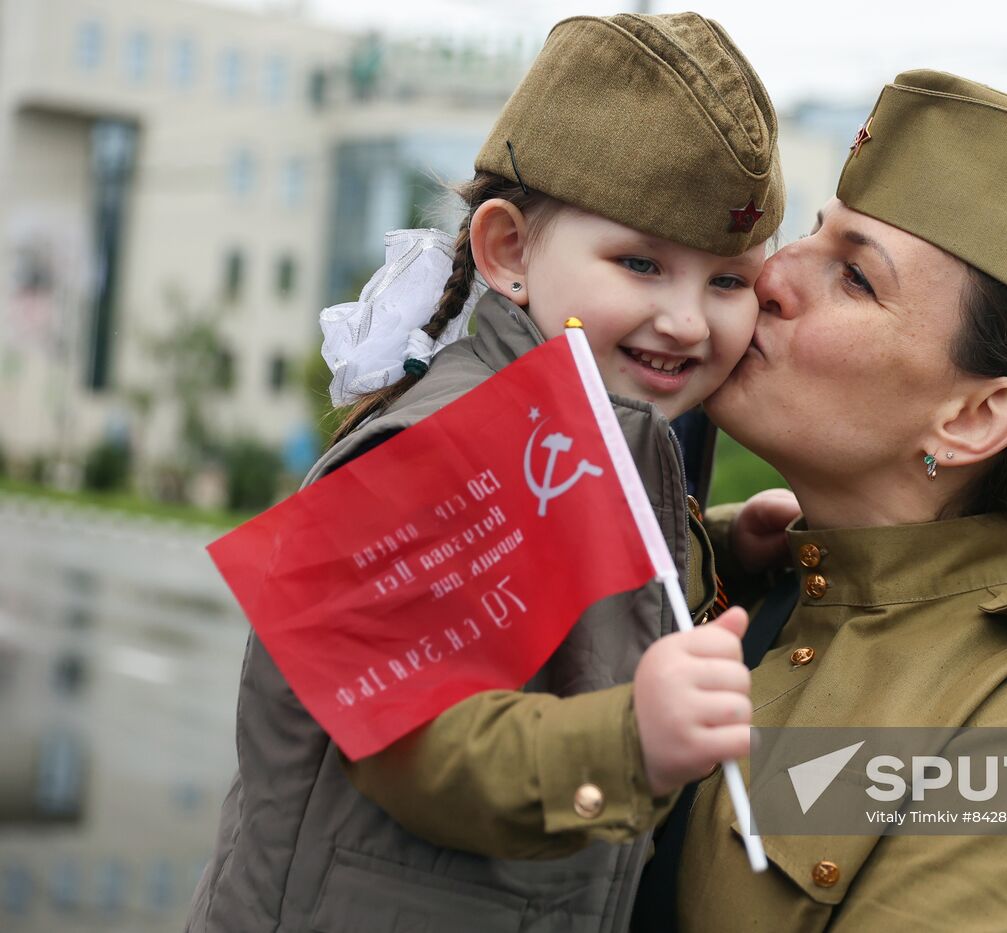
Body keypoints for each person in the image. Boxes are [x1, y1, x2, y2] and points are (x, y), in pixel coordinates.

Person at [185, 13, 791, 933]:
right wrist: (633, 742)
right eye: (640, 263)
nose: (687, 322)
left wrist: (720, 556)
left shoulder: (611, 424)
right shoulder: (444, 449)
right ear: (507, 251)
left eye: (728, 281)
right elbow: (411, 742)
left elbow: (576, 605)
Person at [632, 69, 1007, 932]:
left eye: (854, 277)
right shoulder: (714, 572)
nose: (770, 274)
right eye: (812, 233)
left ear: (975, 416)